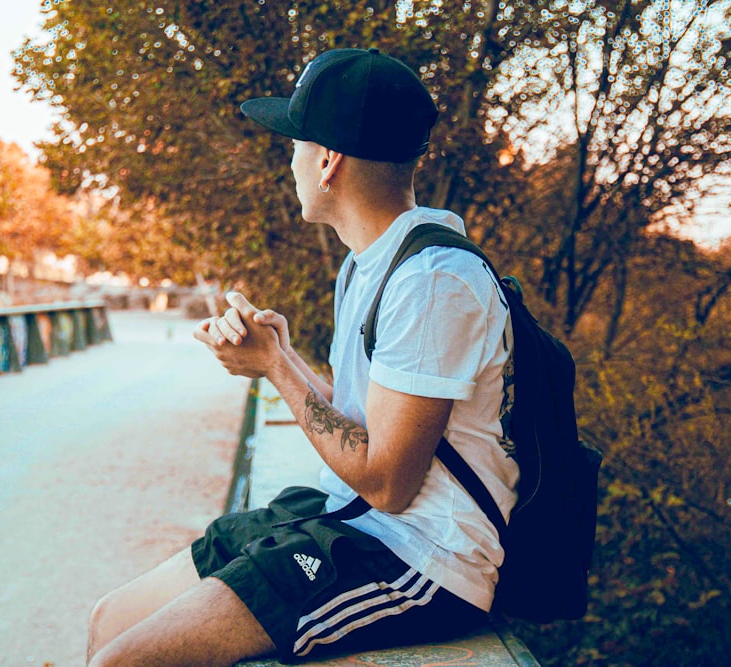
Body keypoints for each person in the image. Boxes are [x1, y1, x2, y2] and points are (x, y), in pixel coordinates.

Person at [86, 47, 519, 667]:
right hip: (345, 517)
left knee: (122, 663)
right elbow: (361, 424)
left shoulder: (432, 281)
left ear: (327, 161)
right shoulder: (368, 264)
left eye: (293, 144)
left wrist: (276, 368)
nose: (287, 161)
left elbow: (390, 483)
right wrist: (280, 354)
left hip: (419, 556)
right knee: (111, 622)